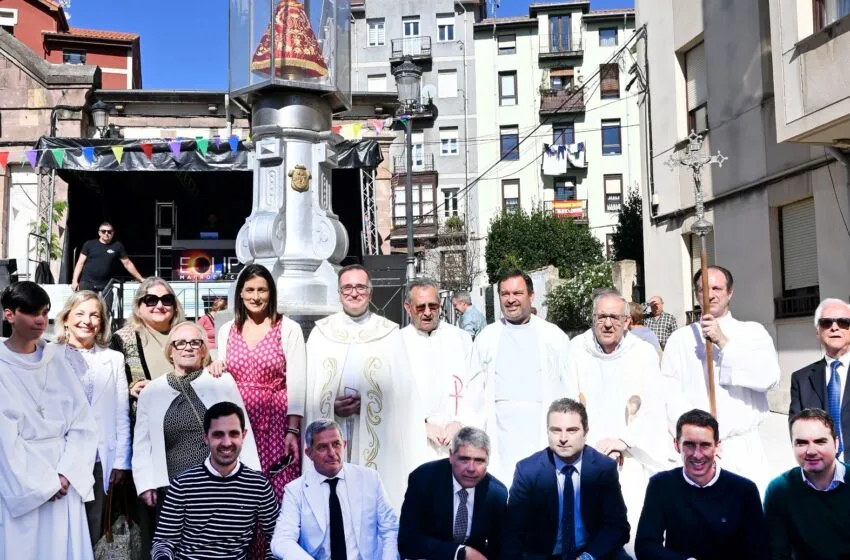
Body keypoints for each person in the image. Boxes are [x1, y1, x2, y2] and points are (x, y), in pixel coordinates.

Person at [304, 264, 423, 509]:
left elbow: (404, 395)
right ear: (339, 293)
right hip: (334, 428)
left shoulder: (389, 333)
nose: (354, 293)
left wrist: (369, 403)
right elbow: (308, 392)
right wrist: (331, 406)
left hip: (375, 435)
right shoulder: (321, 334)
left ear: (370, 292)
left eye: (360, 287)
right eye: (347, 287)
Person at [0, 281, 99, 560]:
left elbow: (83, 424)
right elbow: (3, 439)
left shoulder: (57, 360)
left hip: (64, 478)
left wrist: (67, 473)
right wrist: (44, 484)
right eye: (32, 312)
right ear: (10, 314)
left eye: (44, 312)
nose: (41, 320)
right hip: (21, 484)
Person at [661, 266, 780, 492]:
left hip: (742, 449)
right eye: (703, 289)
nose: (710, 295)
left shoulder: (752, 332)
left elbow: (769, 378)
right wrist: (698, 437)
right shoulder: (679, 339)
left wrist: (723, 341)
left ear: (730, 292)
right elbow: (670, 394)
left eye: (717, 288)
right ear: (696, 294)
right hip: (699, 450)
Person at [568, 289, 668, 549]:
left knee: (629, 534)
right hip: (584, 459)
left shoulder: (643, 353)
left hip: (630, 458)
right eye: (601, 317)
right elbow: (567, 403)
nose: (608, 323)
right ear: (592, 318)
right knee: (585, 534)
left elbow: (655, 407)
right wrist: (590, 448)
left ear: (626, 321)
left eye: (614, 317)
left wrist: (623, 441)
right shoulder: (576, 350)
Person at [132, 322, 260, 516]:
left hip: (220, 485)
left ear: (203, 351)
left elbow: (242, 430)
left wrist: (251, 476)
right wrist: (145, 484)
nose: (188, 348)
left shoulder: (221, 381)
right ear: (170, 351)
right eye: (180, 343)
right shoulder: (151, 391)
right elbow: (142, 443)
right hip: (172, 489)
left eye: (194, 343)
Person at [464, 269, 573, 483]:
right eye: (505, 294)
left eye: (517, 293)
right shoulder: (487, 338)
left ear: (531, 296)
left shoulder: (554, 338)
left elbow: (568, 389)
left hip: (541, 432)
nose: (511, 299)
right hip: (500, 435)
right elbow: (474, 393)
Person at [503, 398, 630, 560]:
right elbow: (513, 531)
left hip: (591, 552)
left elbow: (618, 526)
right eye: (556, 430)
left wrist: (588, 557)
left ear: (585, 432)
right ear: (547, 432)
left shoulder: (603, 468)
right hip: (545, 555)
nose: (563, 438)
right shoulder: (528, 471)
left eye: (572, 430)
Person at [151, 402, 280, 560]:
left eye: (233, 434)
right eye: (218, 435)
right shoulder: (182, 484)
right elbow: (163, 541)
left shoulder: (258, 486)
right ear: (206, 437)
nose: (226, 442)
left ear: (243, 435)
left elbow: (278, 537)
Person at [635, 409, 768, 560]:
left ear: (717, 446)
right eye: (689, 445)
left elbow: (759, 552)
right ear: (676, 445)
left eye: (705, 445)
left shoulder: (744, 491)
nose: (697, 455)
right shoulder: (661, 485)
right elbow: (645, 545)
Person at [55, 291, 131, 549]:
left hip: (99, 459)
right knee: (59, 528)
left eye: (94, 315)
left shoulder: (113, 359)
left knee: (93, 526)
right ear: (66, 318)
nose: (87, 321)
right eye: (79, 313)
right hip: (58, 459)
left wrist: (120, 461)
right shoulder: (49, 354)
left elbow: (121, 412)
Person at [270, 419, 399, 559]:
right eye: (322, 447)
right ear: (309, 453)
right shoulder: (295, 490)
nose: (332, 453)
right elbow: (282, 540)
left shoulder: (369, 479)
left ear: (344, 445)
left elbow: (390, 529)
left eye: (336, 444)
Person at [398, 426, 508, 560]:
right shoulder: (424, 479)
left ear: (488, 461)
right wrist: (461, 553)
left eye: (479, 461)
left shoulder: (497, 494)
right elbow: (407, 541)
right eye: (464, 459)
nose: (471, 468)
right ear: (451, 456)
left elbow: (498, 549)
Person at [764, 408, 850, 559]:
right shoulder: (779, 490)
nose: (811, 451)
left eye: (820, 441)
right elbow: (777, 553)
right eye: (801, 443)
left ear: (836, 444)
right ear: (792, 446)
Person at [401, 278, 472, 460]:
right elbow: (393, 397)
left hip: (457, 437)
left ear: (440, 305)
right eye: (420, 307)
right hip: (414, 439)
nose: (427, 313)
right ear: (408, 308)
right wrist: (420, 425)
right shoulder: (398, 343)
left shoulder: (461, 339)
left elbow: (476, 388)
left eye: (433, 306)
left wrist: (459, 422)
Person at [789, 298, 850, 461]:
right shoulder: (801, 379)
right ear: (817, 331)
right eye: (826, 322)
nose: (834, 327)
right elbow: (797, 431)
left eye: (843, 322)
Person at [112, 277, 186, 399]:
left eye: (166, 300)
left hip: (187, 408)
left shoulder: (188, 334)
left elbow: (205, 371)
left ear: (174, 306)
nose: (160, 305)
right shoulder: (122, 339)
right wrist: (130, 390)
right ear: (138, 307)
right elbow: (112, 384)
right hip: (144, 409)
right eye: (151, 300)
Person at [70, 222, 145, 311]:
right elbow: (80, 263)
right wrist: (74, 281)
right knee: (85, 309)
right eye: (103, 231)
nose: (106, 233)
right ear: (99, 233)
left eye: (109, 232)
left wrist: (141, 279)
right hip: (87, 283)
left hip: (106, 284)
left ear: (113, 233)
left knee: (106, 311)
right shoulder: (89, 244)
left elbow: (127, 263)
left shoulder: (118, 246)